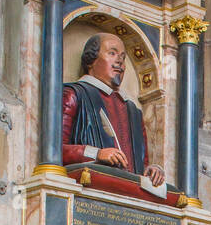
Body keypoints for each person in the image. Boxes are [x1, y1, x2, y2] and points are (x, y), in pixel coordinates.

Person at [61, 33, 165, 187]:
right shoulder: (74, 94)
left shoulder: (133, 112)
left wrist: (151, 171)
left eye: (122, 58)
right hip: (90, 190)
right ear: (91, 60)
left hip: (128, 195)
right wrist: (97, 154)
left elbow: (140, 166)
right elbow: (55, 149)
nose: (119, 62)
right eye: (112, 53)